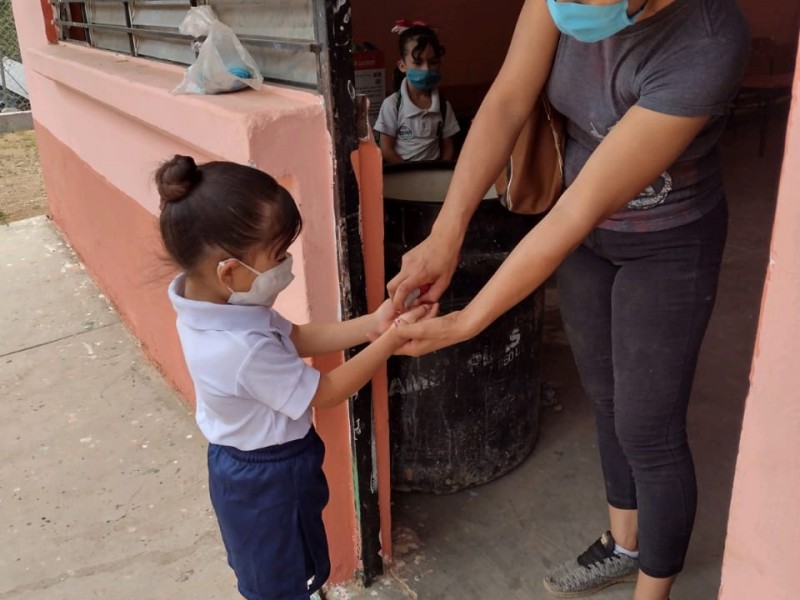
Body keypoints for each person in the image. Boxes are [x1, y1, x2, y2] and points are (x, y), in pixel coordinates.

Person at [386, 1, 749, 599]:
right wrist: (444, 235)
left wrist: (470, 320)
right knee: (606, 400)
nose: (567, 7)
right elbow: (506, 102)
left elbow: (579, 209)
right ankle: (623, 544)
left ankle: (651, 593)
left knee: (649, 428)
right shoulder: (562, 2)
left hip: (669, 243)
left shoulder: (708, 35)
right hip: (585, 241)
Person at [156, 155, 435, 600]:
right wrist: (393, 341)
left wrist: (374, 324)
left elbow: (298, 336)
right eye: (278, 255)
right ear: (229, 271)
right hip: (268, 477)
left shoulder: (213, 306)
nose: (286, 263)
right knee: (280, 579)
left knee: (280, 565)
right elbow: (325, 392)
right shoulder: (240, 349)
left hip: (253, 467)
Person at [374, 22, 460, 163]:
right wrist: (410, 174)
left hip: (434, 179)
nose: (426, 69)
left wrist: (440, 173)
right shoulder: (392, 105)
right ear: (402, 66)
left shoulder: (443, 105)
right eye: (418, 62)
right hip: (403, 178)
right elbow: (386, 149)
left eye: (432, 62)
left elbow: (448, 146)